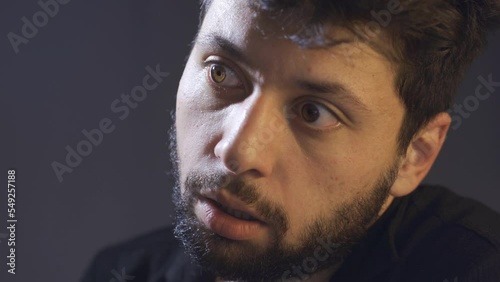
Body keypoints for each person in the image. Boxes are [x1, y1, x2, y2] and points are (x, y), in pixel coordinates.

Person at [81, 0, 500, 281]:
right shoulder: (123, 272)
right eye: (221, 73)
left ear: (414, 155)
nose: (237, 151)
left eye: (314, 113)